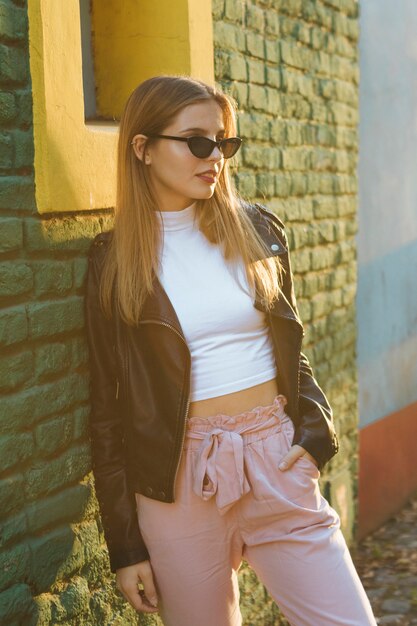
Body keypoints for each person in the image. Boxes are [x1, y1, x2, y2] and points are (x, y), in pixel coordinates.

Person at [84, 74, 377, 626]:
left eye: (223, 141)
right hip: (176, 485)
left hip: (276, 459)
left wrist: (315, 434)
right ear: (142, 149)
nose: (213, 155)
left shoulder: (257, 232)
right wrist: (125, 546)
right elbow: (107, 412)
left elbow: (294, 353)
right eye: (196, 141)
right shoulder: (113, 265)